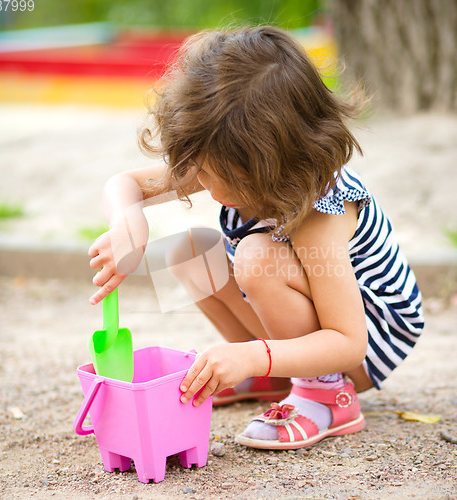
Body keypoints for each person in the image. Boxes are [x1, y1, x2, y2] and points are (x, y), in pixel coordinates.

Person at [88, 26, 424, 450]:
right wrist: (128, 226)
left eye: (214, 175)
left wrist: (253, 354)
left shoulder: (320, 214)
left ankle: (326, 394)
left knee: (257, 258)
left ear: (267, 164)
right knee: (187, 250)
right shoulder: (225, 152)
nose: (201, 184)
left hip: (369, 333)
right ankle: (273, 373)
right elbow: (124, 184)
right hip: (326, 325)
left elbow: (348, 342)